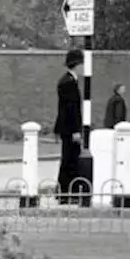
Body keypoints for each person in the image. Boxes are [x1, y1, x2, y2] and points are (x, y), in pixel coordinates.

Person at [53, 49, 84, 204]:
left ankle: (65, 193)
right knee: (70, 159)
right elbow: (71, 108)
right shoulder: (68, 83)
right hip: (70, 128)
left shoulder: (69, 81)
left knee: (70, 158)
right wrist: (75, 130)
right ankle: (66, 193)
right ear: (76, 65)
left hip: (67, 128)